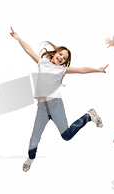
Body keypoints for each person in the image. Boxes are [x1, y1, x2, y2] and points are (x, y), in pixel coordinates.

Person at [10, 27, 106, 172]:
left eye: (64, 58)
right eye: (60, 54)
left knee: (66, 136)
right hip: (42, 108)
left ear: (64, 62)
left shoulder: (62, 70)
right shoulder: (42, 62)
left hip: (55, 105)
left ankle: (89, 116)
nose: (61, 57)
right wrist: (18, 38)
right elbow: (29, 51)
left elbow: (81, 70)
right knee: (34, 138)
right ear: (55, 53)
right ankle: (30, 158)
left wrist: (98, 70)